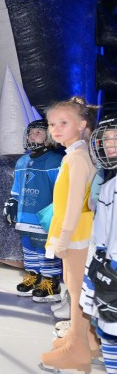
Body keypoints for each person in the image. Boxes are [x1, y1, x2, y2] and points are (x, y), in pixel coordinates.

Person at [40, 97, 98, 372]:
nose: (56, 129)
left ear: (81, 125)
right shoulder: (73, 155)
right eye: (52, 124)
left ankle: (78, 348)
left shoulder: (77, 157)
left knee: (76, 290)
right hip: (75, 232)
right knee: (73, 286)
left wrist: (63, 237)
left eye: (63, 123)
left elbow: (75, 202)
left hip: (77, 234)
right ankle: (86, 339)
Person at [2, 120, 63, 301]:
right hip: (25, 214)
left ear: (49, 137)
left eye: (38, 132)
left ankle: (51, 281)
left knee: (44, 248)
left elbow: (60, 190)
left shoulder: (55, 160)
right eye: (31, 132)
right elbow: (17, 186)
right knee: (28, 246)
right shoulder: (22, 161)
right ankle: (33, 276)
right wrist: (13, 202)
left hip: (43, 216)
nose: (33, 135)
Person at [81, 114, 117, 373]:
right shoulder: (107, 187)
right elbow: (101, 232)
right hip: (110, 268)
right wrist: (98, 262)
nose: (110, 144)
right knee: (108, 326)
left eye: (116, 138)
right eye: (106, 139)